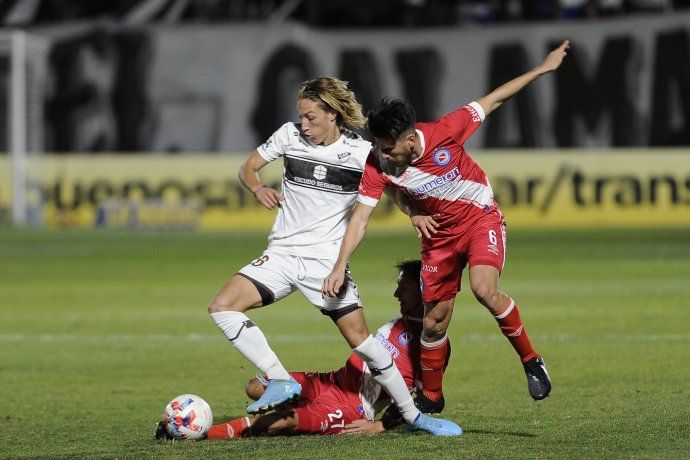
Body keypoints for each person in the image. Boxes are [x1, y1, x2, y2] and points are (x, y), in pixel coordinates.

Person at [323, 41, 571, 410]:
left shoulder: (446, 131)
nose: (383, 155)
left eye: (388, 148)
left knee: (484, 289)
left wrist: (542, 69)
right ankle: (432, 398)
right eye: (378, 147)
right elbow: (360, 218)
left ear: (410, 140)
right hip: (439, 239)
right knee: (434, 323)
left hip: (479, 220)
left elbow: (495, 99)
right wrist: (340, 264)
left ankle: (532, 361)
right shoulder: (378, 164)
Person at [207, 77, 460, 436]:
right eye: (301, 117)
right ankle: (280, 380)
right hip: (281, 253)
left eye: (311, 117)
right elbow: (247, 168)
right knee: (222, 307)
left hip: (325, 264)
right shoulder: (287, 136)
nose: (304, 124)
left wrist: (414, 213)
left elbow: (394, 190)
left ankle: (415, 415)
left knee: (365, 345)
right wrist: (258, 186)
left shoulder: (361, 154)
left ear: (333, 114)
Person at [158, 260, 441, 440]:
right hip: (331, 381)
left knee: (285, 422)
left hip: (349, 406)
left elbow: (426, 396)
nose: (396, 294)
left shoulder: (430, 342)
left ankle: (204, 434)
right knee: (255, 386)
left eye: (403, 288)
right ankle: (307, 408)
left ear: (421, 291)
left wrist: (380, 426)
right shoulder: (398, 324)